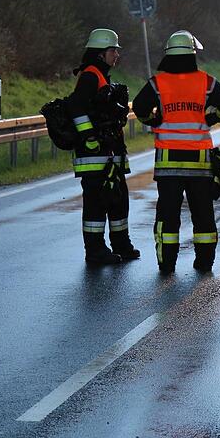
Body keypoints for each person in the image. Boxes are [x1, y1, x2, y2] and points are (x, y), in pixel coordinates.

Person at [132, 30, 220, 274]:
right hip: (199, 164)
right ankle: (204, 263)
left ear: (168, 55)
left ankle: (167, 265)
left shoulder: (158, 83)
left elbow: (139, 107)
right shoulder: (206, 81)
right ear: (192, 55)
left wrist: (154, 121)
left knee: (168, 217)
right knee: (203, 216)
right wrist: (210, 118)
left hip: (168, 164)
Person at [68, 29, 140, 265]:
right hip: (94, 155)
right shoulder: (90, 76)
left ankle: (121, 245)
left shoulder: (101, 75)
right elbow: (76, 108)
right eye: (113, 50)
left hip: (109, 154)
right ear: (100, 54)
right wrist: (89, 135)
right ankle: (96, 251)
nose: (116, 55)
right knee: (97, 204)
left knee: (118, 199)